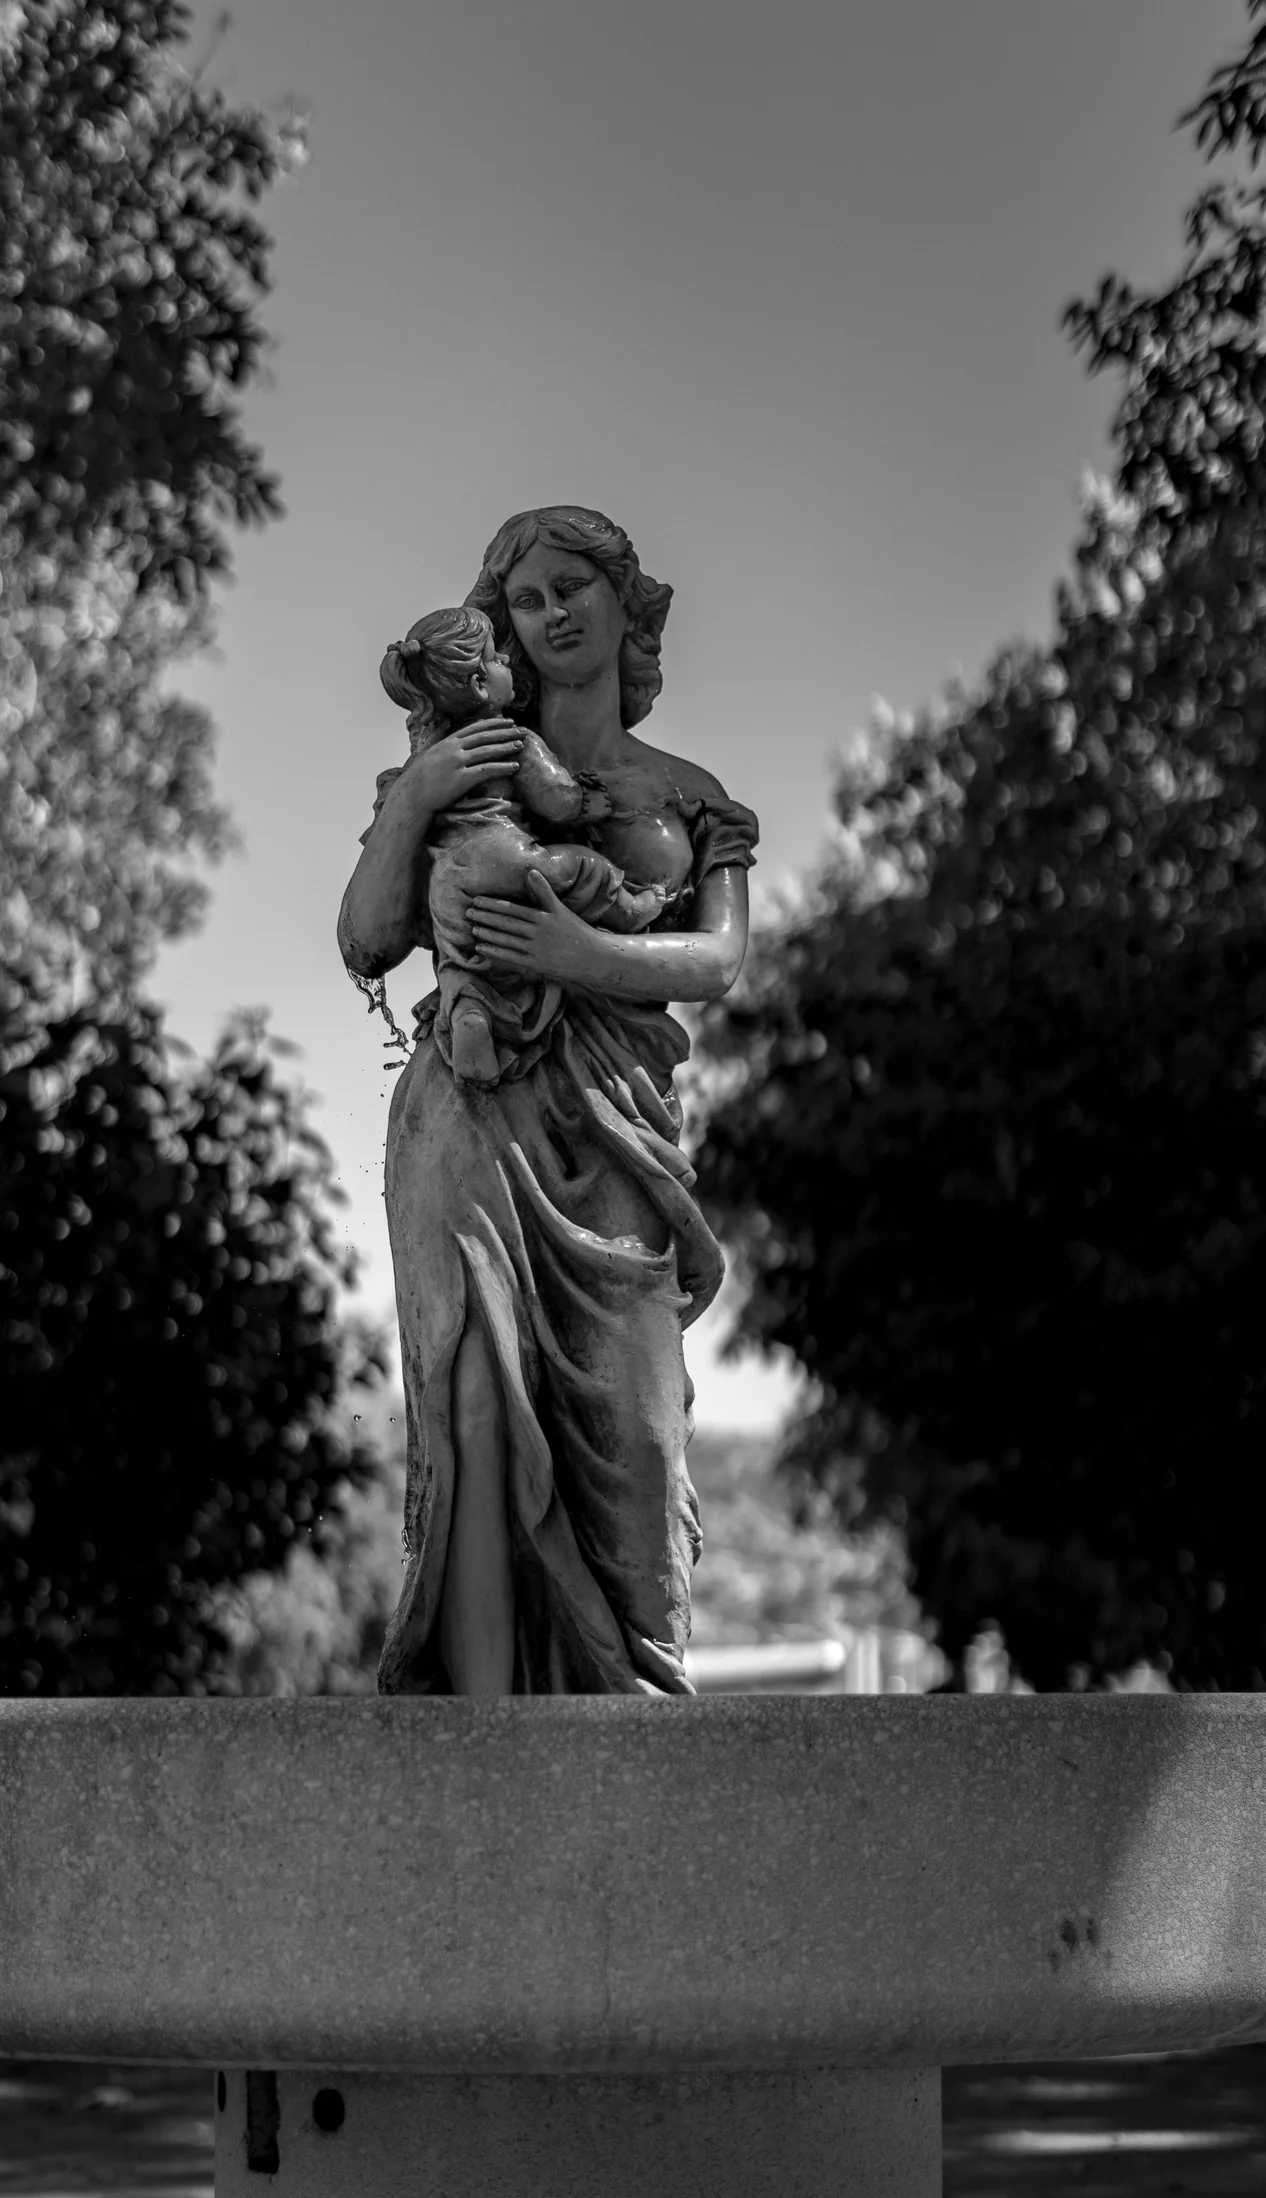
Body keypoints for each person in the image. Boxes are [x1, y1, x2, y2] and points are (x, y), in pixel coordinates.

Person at [338, 505, 758, 1695]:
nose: (554, 613)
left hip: (610, 1129)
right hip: (466, 1110)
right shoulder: (461, 755)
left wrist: (573, 951)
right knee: (473, 1399)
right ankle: (484, 1748)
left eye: (576, 587)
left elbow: (718, 963)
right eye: (527, 599)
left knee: (634, 1444)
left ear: (629, 605)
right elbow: (370, 938)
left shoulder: (690, 797)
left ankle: (629, 1738)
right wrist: (418, 797)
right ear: (500, 622)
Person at [377, 603, 669, 1089]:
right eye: (496, 658)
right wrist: (586, 802)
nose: (508, 662)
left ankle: (469, 1010)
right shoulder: (510, 739)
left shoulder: (426, 760)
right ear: (478, 686)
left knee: (460, 959)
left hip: (448, 881)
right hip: (507, 856)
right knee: (578, 867)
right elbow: (557, 800)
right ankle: (630, 907)